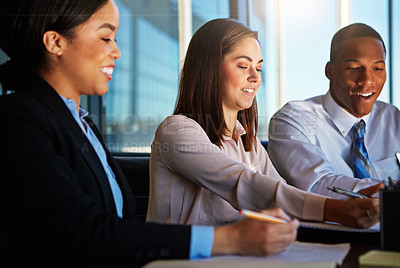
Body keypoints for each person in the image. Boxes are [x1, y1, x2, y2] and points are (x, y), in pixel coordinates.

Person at [0, 1, 300, 266]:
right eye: (106, 37)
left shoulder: (82, 124)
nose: (117, 51)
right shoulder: (17, 118)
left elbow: (113, 224)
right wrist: (230, 239)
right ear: (55, 42)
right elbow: (85, 232)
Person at [147, 19, 382, 230]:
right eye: (243, 65)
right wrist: (334, 209)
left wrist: (354, 200)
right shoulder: (176, 131)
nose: (256, 77)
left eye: (258, 67)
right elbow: (244, 184)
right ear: (209, 69)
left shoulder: (249, 145)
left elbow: (282, 197)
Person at [268, 23, 400, 199]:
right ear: (330, 71)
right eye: (354, 68)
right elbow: (318, 185)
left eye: (377, 69)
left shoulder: (393, 118)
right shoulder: (293, 119)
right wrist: (389, 191)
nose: (367, 80)